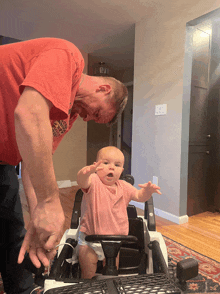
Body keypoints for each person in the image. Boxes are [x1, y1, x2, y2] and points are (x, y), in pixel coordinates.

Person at [0, 37, 128, 293]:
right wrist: (49, 202)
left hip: (3, 161)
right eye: (97, 114)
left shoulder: (66, 115)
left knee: (13, 227)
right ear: (103, 89)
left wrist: (39, 219)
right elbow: (28, 113)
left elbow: (33, 160)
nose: (87, 118)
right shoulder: (67, 55)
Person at [76, 146, 162, 279]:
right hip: (90, 239)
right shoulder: (93, 181)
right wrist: (85, 172)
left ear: (121, 170)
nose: (111, 167)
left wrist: (147, 192)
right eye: (106, 163)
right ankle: (87, 284)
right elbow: (82, 181)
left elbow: (139, 196)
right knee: (87, 272)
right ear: (96, 166)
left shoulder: (124, 186)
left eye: (117, 165)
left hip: (115, 240)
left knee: (112, 270)